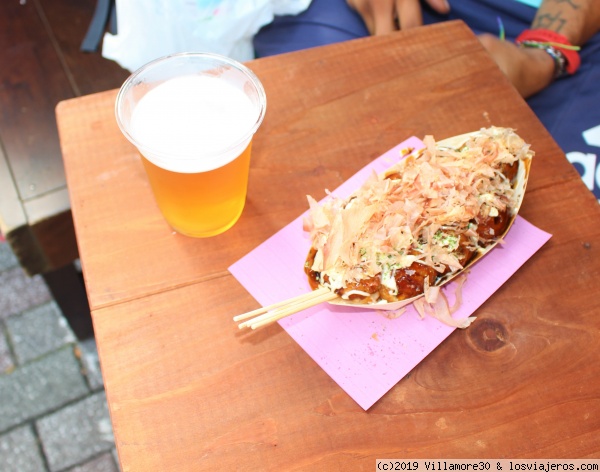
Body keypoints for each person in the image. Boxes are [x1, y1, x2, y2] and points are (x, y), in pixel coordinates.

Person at [253, 0, 600, 201]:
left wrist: (545, 50)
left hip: (557, 25)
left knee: (553, 207)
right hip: (377, 11)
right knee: (295, 165)